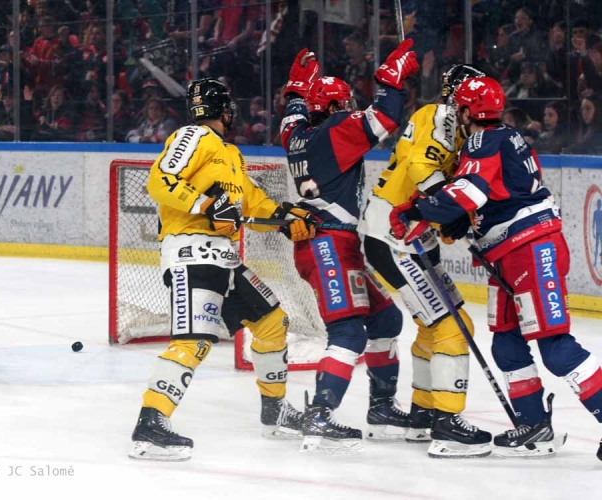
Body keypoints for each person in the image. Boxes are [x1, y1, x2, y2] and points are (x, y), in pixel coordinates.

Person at [389, 76, 602, 459]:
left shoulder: (482, 140)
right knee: (506, 341)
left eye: (461, 107)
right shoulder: (504, 136)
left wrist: (420, 209)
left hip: (531, 250)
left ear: (470, 111)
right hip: (507, 254)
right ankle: (534, 426)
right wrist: (456, 217)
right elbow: (490, 195)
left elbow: (470, 190)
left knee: (555, 347)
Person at [129, 78, 317, 461]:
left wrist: (282, 214)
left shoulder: (229, 153)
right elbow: (159, 180)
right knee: (194, 341)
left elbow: (250, 198)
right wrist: (204, 205)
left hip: (224, 258)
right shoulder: (193, 136)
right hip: (190, 253)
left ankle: (275, 409)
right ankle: (150, 424)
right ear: (222, 109)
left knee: (271, 321)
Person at [278, 40, 419, 454]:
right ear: (337, 107)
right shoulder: (336, 132)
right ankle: (320, 417)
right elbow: (385, 117)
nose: (349, 110)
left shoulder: (297, 134)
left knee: (385, 320)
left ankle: (380, 409)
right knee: (347, 331)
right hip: (328, 244)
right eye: (345, 105)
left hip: (333, 243)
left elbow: (291, 113)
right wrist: (390, 79)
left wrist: (295, 89)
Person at [359, 63, 493, 458]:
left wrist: (445, 217)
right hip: (395, 235)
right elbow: (421, 167)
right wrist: (447, 207)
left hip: (407, 236)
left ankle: (423, 413)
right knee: (454, 326)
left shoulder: (448, 122)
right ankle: (448, 426)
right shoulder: (442, 115)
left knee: (434, 325)